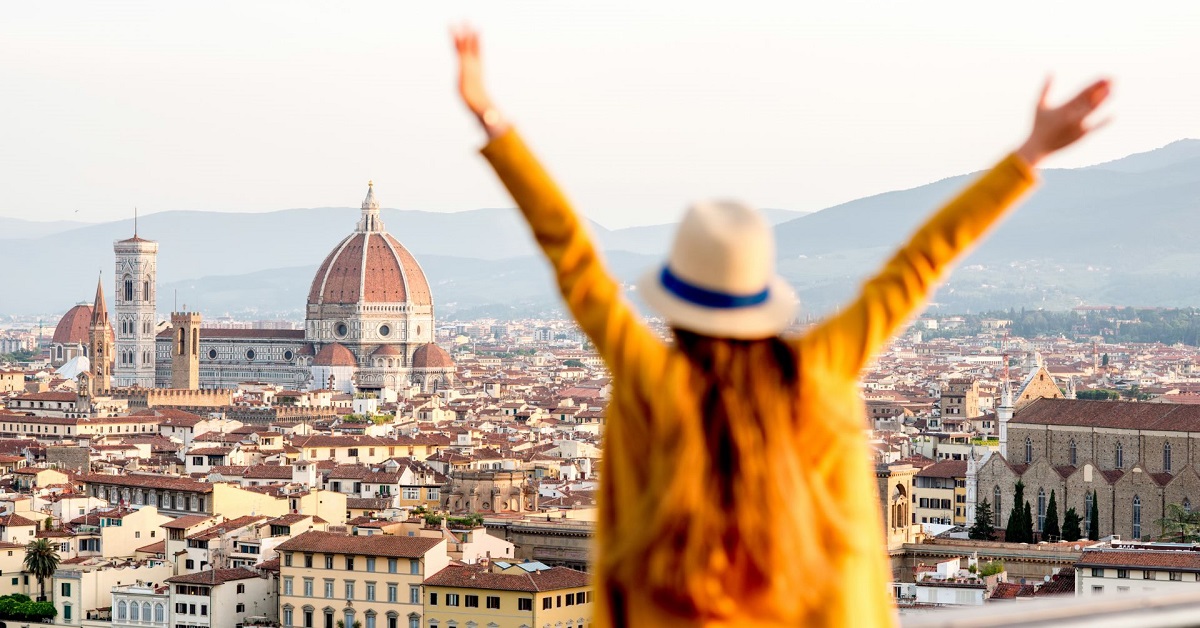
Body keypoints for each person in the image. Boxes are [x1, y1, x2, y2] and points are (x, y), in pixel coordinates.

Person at [452, 26, 1110, 627]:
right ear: (760, 297)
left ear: (678, 308)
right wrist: (1028, 155)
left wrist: (492, 120)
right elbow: (918, 265)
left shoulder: (654, 379)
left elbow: (573, 258)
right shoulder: (816, 370)